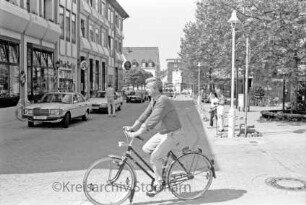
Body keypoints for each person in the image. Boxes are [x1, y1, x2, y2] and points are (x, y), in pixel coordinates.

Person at [125, 77, 182, 197]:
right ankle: (163, 169)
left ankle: (159, 183)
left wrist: (137, 133)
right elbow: (145, 115)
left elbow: (152, 120)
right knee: (146, 149)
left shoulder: (163, 100)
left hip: (173, 133)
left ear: (156, 88)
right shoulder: (154, 100)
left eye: (148, 87)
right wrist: (133, 127)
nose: (146, 89)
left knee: (155, 157)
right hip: (163, 133)